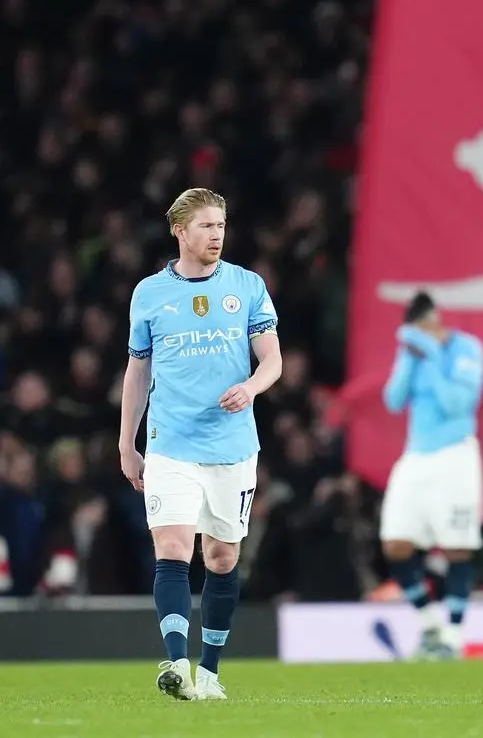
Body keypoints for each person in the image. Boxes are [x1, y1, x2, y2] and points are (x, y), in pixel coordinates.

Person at [118, 188, 283, 700]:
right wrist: (128, 443)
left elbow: (273, 361)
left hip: (233, 447)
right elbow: (137, 370)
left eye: (221, 226)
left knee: (221, 558)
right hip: (170, 443)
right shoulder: (149, 293)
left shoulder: (247, 286)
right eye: (207, 226)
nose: (216, 235)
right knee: (171, 546)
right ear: (180, 231)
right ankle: (176, 665)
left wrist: (251, 387)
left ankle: (210, 672)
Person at [379, 291, 483, 659]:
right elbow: (393, 401)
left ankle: (454, 636)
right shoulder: (413, 352)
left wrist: (435, 355)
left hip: (455, 453)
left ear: (435, 320)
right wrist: (410, 359)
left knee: (456, 546)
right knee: (396, 543)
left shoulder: (467, 349)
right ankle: (430, 626)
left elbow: (458, 404)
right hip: (416, 454)